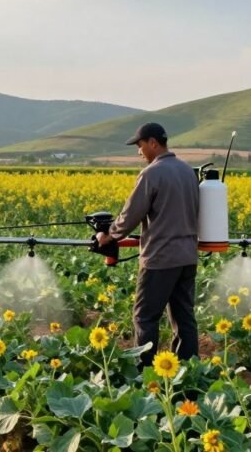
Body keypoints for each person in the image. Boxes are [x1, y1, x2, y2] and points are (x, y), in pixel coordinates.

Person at [95, 122, 200, 367]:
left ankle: (144, 375)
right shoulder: (187, 171)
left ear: (153, 143)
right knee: (184, 318)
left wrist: (108, 235)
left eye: (140, 146)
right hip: (187, 257)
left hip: (160, 259)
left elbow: (131, 214)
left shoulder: (152, 173)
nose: (138, 152)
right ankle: (189, 372)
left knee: (145, 317)